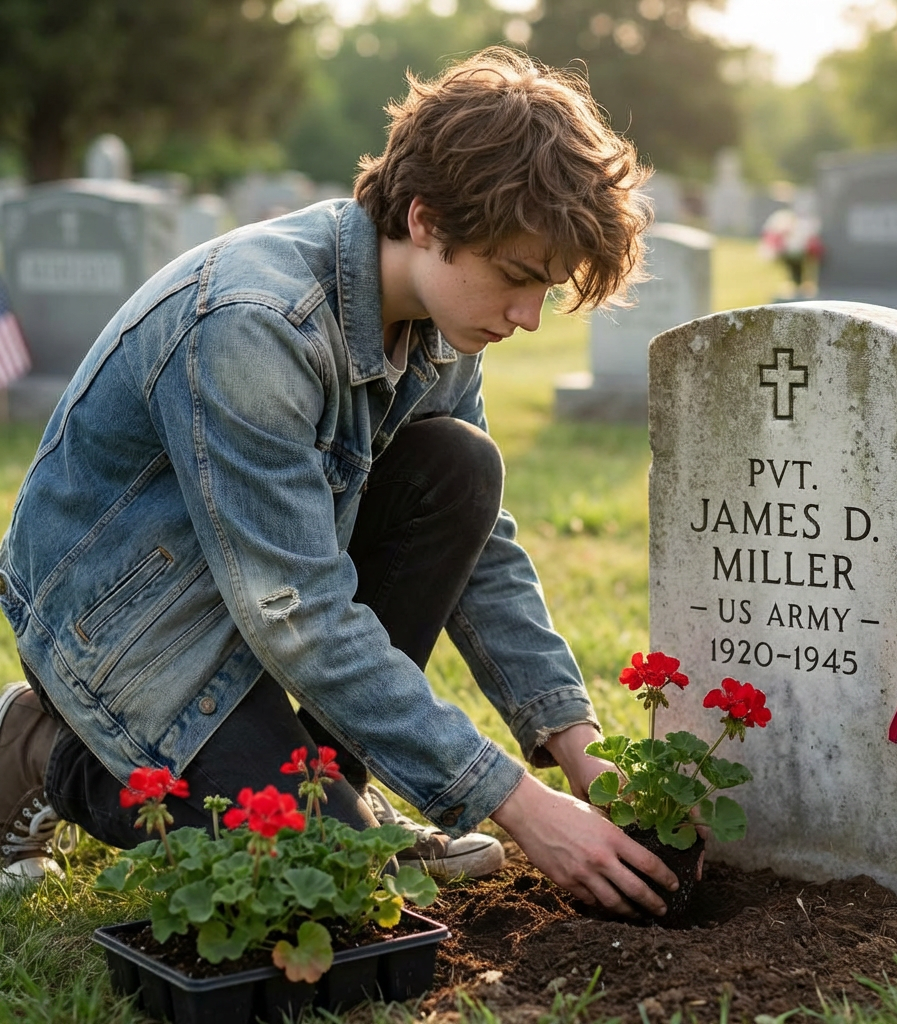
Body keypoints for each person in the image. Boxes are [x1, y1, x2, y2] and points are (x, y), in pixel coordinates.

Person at [0, 47, 680, 915]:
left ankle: (342, 781)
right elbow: (301, 613)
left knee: (460, 468)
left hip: (257, 583)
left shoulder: (438, 321)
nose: (526, 317)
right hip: (123, 620)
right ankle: (37, 744)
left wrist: (579, 753)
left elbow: (482, 553)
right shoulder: (254, 326)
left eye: (543, 289)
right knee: (321, 887)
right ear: (428, 220)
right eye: (516, 277)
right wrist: (519, 805)